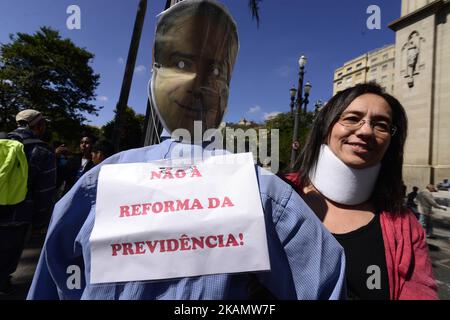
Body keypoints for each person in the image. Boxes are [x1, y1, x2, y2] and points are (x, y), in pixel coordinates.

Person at [28, 0, 345, 300]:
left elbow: (49, 283)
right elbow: (325, 281)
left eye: (215, 71)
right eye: (182, 63)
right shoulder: (264, 192)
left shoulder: (95, 186)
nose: (198, 82)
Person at [284, 83, 438, 300]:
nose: (366, 130)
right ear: (326, 128)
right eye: (352, 118)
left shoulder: (405, 225)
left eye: (381, 125)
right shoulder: (273, 195)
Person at [0, 109, 56, 295]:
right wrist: (40, 223)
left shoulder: (2, 142)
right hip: (18, 216)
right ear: (39, 126)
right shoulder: (42, 150)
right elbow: (44, 192)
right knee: (7, 256)